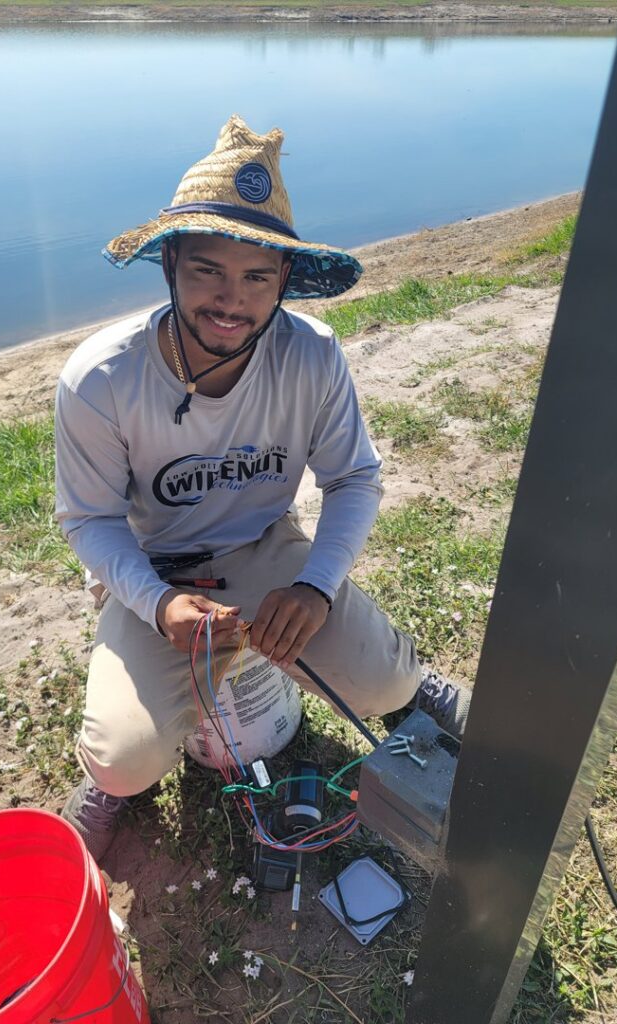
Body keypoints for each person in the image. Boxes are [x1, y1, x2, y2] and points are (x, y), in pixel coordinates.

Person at [55, 114, 470, 862]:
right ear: (171, 263)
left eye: (255, 277)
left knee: (382, 684)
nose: (230, 300)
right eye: (207, 269)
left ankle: (417, 689)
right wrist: (156, 602)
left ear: (284, 279)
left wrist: (313, 588)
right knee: (123, 760)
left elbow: (353, 478)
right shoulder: (101, 377)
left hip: (265, 551)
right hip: (154, 571)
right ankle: (116, 782)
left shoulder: (312, 354)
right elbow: (89, 521)